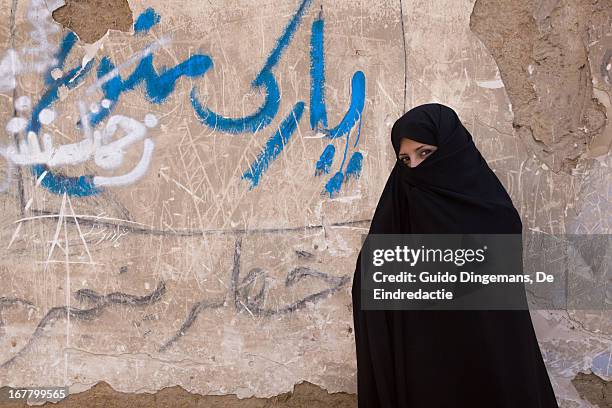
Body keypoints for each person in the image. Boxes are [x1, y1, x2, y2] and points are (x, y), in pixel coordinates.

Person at [351, 103, 559, 407]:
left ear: (451, 149)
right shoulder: (400, 206)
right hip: (425, 364)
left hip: (486, 361)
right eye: (405, 160)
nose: (416, 168)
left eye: (425, 153)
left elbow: (499, 318)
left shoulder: (493, 214)